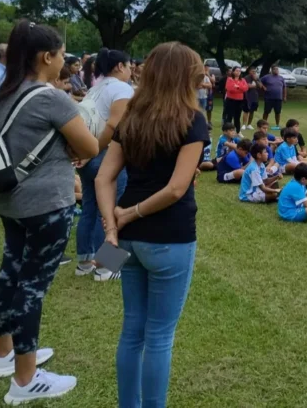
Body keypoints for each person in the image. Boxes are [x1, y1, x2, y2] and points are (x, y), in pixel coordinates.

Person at [0, 20, 99, 404]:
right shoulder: (51, 97)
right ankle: (26, 379)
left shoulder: (5, 92)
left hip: (12, 201)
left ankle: (4, 355)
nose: (64, 61)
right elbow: (91, 147)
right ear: (46, 57)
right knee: (31, 287)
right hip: (47, 204)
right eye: (62, 55)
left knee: (10, 274)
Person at [94, 41, 208, 408]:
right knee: (158, 336)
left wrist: (113, 226)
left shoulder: (131, 116)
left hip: (127, 240)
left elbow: (103, 179)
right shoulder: (193, 120)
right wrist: (124, 217)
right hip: (167, 237)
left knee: (132, 331)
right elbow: (177, 188)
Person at [76, 48, 133, 281]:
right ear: (120, 66)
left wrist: (87, 152)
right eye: (129, 66)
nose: (131, 71)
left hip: (88, 155)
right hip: (105, 154)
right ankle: (106, 266)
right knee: (109, 210)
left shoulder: (95, 88)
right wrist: (94, 151)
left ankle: (84, 262)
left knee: (89, 207)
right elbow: (114, 127)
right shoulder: (122, 89)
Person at [261, 64, 287, 129]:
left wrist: (284, 96)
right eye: (275, 69)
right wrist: (263, 87)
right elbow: (259, 81)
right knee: (266, 111)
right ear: (272, 70)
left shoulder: (281, 78)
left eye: (277, 69)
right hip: (269, 98)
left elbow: (284, 87)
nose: (276, 70)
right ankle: (263, 124)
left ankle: (277, 125)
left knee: (278, 112)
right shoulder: (267, 77)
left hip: (278, 98)